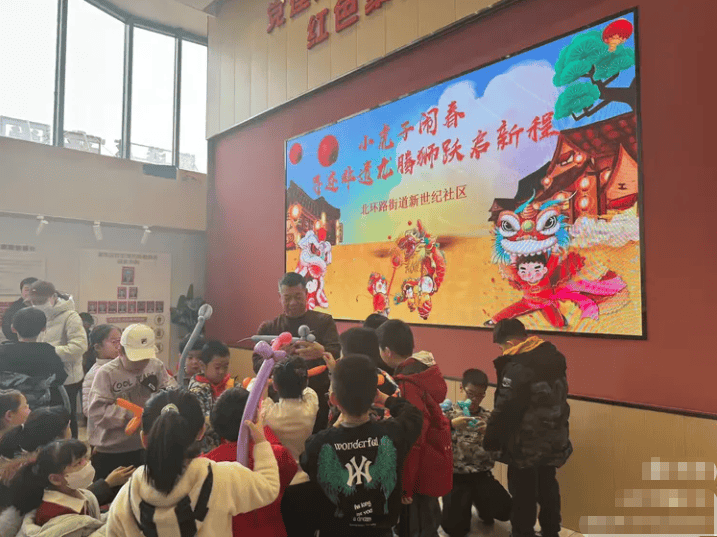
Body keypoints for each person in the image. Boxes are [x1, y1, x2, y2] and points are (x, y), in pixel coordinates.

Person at [106, 389, 281, 536]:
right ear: (201, 432)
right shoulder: (224, 478)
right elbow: (269, 486)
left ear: (144, 440)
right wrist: (261, 442)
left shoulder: (126, 496)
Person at [300, 354, 424, 537]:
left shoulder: (319, 444)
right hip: (381, 532)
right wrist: (386, 399)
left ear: (334, 399)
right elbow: (413, 414)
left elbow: (306, 462)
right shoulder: (393, 434)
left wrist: (334, 426)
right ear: (374, 395)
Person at [483, 319, 572, 537]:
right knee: (548, 486)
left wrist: (490, 439)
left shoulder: (518, 368)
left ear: (510, 342)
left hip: (525, 443)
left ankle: (523, 533)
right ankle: (551, 531)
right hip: (554, 437)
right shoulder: (554, 357)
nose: (503, 352)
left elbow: (506, 410)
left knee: (523, 494)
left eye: (502, 347)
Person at [376, 319, 453, 537]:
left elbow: (414, 438)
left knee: (417, 526)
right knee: (427, 519)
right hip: (431, 460)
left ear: (387, 351)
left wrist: (406, 485)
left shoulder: (407, 384)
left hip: (419, 470)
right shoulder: (423, 372)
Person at [203, 386, 297, 537]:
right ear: (254, 419)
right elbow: (287, 476)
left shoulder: (205, 464)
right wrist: (263, 433)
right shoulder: (277, 455)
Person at [252, 272, 340, 432]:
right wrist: (275, 357)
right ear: (280, 297)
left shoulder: (324, 322)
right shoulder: (269, 328)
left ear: (306, 293)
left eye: (298, 297)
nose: (293, 303)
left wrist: (322, 352)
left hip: (317, 398)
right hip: (278, 403)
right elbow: (257, 366)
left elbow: (336, 354)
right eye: (287, 298)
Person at [87, 324, 176, 480]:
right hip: (112, 449)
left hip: (147, 444)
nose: (141, 364)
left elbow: (169, 392)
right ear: (121, 352)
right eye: (135, 359)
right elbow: (97, 412)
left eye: (145, 359)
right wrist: (130, 415)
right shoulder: (107, 373)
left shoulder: (156, 366)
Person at [441, 369, 511, 536]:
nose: (474, 399)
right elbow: (433, 439)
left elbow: (503, 452)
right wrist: (451, 426)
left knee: (506, 511)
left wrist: (491, 434)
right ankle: (464, 503)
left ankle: (481, 505)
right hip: (456, 477)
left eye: (479, 395)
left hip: (481, 475)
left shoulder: (488, 418)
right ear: (461, 388)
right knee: (454, 529)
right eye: (470, 393)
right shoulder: (448, 415)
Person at [28, 281, 88, 438]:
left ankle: (72, 448)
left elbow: (79, 347)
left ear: (53, 297)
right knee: (49, 419)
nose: (37, 305)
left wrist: (48, 352)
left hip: (67, 379)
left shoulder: (70, 316)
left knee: (67, 418)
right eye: (33, 302)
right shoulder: (40, 316)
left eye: (41, 301)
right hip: (46, 378)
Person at [9, 439, 104, 532]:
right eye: (78, 463)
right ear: (55, 479)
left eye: (85, 458)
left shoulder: (76, 493)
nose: (86, 464)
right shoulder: (55, 513)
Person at [0, 308, 68, 390]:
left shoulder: (3, 350)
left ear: (13, 328)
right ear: (43, 328)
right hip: (40, 397)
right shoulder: (47, 351)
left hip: (7, 396)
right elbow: (61, 376)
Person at [82, 325, 121, 417]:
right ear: (98, 347)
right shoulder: (94, 374)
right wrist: (122, 413)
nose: (119, 346)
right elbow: (88, 409)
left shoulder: (126, 366)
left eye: (120, 340)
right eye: (114, 341)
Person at [1, 277, 37, 343]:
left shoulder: (46, 306)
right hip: (19, 342)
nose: (30, 293)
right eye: (27, 290)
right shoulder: (14, 308)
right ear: (21, 291)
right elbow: (7, 328)